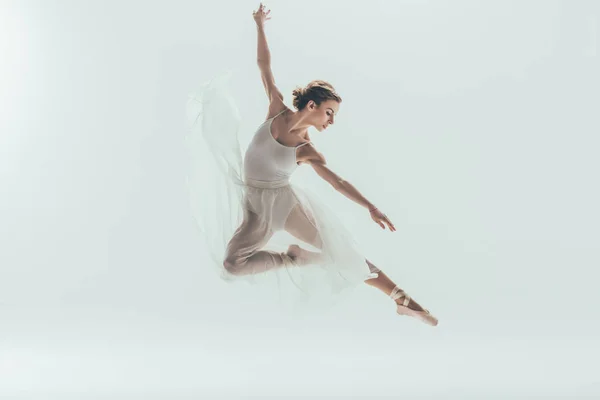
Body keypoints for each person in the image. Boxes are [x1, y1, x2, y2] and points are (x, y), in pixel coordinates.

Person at [185, 3, 437, 326]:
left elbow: (338, 182)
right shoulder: (276, 109)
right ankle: (293, 259)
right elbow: (264, 65)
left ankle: (404, 300)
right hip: (254, 203)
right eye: (329, 112)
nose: (331, 121)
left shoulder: (307, 150)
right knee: (232, 265)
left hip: (282, 206)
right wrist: (259, 25)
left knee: (344, 254)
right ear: (312, 104)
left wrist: (371, 206)